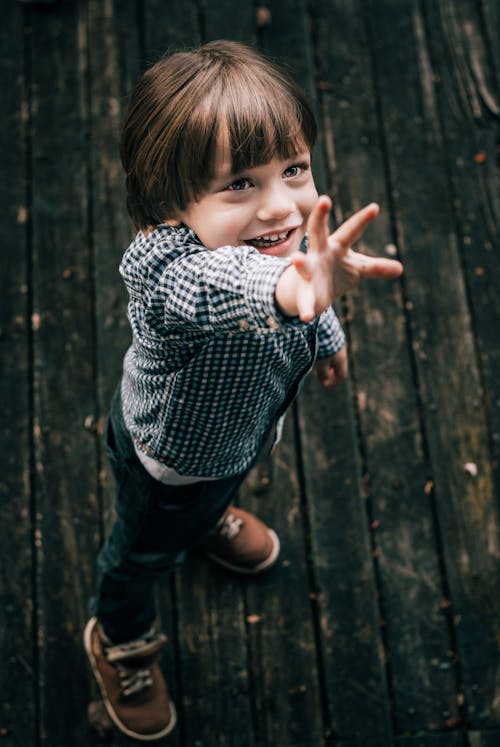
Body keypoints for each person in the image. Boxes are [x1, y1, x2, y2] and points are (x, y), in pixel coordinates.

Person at [83, 40, 403, 741]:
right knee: (139, 555)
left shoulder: (288, 242)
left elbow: (306, 278)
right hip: (167, 464)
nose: (279, 204)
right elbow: (252, 285)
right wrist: (297, 287)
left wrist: (328, 336)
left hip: (235, 439)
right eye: (240, 185)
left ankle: (205, 521)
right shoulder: (167, 273)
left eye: (293, 168)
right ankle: (119, 638)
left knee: (211, 495)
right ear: (170, 205)